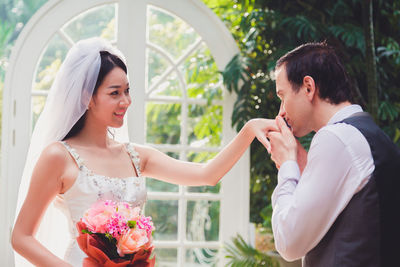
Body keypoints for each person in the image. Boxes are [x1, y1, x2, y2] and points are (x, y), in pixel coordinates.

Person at [11, 38, 278, 266]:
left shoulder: (137, 156)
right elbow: (21, 237)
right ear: (87, 98)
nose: (125, 101)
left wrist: (248, 131)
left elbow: (208, 175)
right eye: (114, 93)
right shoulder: (58, 156)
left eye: (127, 91)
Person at [267, 42, 400, 266]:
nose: (281, 111)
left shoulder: (337, 139)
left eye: (283, 96)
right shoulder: (369, 134)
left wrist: (287, 165)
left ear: (308, 87)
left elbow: (288, 242)